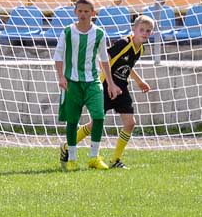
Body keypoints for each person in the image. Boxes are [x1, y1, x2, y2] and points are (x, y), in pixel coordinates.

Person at [63, 15, 154, 169]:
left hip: (121, 88)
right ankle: (66, 146)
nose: (145, 33)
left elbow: (127, 66)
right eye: (142, 30)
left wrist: (139, 81)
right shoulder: (124, 43)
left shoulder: (141, 49)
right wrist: (110, 83)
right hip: (106, 86)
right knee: (95, 124)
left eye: (148, 31)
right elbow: (104, 59)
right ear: (134, 29)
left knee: (130, 123)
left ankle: (115, 160)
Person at [54, 0, 121, 172]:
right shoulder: (67, 32)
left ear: (93, 13)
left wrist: (111, 83)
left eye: (86, 11)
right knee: (72, 120)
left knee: (99, 116)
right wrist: (61, 77)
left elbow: (104, 59)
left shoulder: (99, 33)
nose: (83, 14)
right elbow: (58, 55)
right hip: (72, 82)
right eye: (80, 11)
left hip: (93, 81)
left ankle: (94, 157)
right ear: (75, 12)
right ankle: (72, 159)